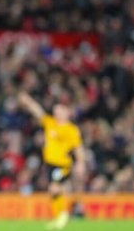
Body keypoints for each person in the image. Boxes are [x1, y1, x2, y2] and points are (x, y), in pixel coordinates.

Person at [18, 92, 85, 230]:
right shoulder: (50, 123)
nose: (57, 112)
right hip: (50, 164)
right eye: (56, 110)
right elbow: (38, 112)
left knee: (54, 188)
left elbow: (78, 148)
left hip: (62, 164)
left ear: (67, 112)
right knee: (53, 191)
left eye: (60, 109)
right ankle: (59, 217)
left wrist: (80, 163)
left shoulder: (71, 129)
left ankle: (64, 215)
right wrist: (28, 101)